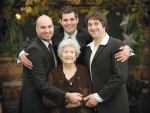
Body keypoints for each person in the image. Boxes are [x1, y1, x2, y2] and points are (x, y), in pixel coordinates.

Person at [17, 6, 131, 69]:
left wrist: (126, 48)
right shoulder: (53, 32)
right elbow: (31, 42)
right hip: (57, 77)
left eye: (72, 19)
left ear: (77, 20)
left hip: (83, 78)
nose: (69, 23)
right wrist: (21, 53)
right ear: (60, 21)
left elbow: (106, 39)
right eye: (65, 20)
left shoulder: (87, 33)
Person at [19, 15, 82, 113]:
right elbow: (41, 84)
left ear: (53, 27)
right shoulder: (35, 50)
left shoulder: (50, 42)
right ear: (36, 29)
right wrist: (67, 95)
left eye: (49, 26)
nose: (47, 30)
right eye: (43, 27)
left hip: (48, 100)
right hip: (35, 104)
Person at [83, 11, 129, 113]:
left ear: (104, 25)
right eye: (89, 24)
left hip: (114, 105)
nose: (93, 27)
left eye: (96, 23)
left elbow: (120, 76)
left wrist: (98, 97)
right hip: (95, 106)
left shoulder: (116, 45)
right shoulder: (88, 49)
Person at [42, 38, 93, 113]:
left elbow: (91, 94)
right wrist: (65, 102)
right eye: (65, 52)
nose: (69, 55)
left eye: (72, 52)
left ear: (76, 55)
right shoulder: (53, 72)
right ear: (60, 55)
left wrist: (79, 103)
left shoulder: (84, 70)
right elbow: (46, 100)